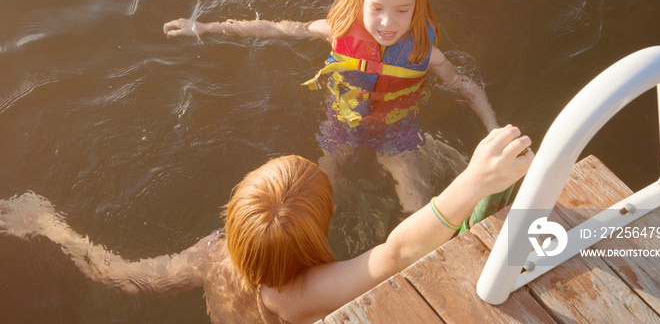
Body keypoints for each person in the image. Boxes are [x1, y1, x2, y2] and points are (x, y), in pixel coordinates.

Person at [0, 126, 532, 324]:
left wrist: (53, 228)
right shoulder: (301, 294)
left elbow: (124, 275)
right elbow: (394, 253)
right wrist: (475, 181)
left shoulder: (213, 253)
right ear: (316, 236)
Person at [163, 0, 504, 216]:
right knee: (322, 183)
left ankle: (423, 254)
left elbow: (466, 85)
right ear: (360, 1)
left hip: (396, 126)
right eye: (377, 8)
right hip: (343, 119)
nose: (388, 22)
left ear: (417, 7)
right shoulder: (338, 30)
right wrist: (206, 27)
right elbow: (281, 28)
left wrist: (493, 129)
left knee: (413, 194)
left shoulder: (424, 54)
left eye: (402, 10)